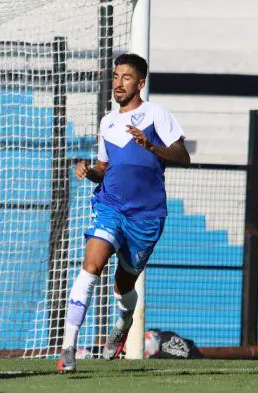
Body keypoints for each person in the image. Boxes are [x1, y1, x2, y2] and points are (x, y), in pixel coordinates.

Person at [58, 54, 190, 373]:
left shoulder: (156, 114)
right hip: (110, 206)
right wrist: (89, 171)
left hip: (146, 217)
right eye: (116, 76)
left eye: (126, 77)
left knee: (123, 286)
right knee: (92, 265)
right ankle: (68, 349)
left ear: (140, 82)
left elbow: (183, 156)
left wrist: (151, 146)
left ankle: (124, 322)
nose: (118, 83)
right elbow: (105, 168)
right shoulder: (108, 121)